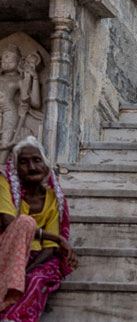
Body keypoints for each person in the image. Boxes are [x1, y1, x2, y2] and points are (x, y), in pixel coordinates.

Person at [0, 137, 76, 321]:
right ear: (15, 169)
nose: (32, 167)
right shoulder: (4, 182)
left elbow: (49, 248)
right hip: (5, 252)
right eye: (24, 162)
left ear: (45, 165)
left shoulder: (53, 198)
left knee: (36, 280)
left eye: (36, 160)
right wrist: (59, 239)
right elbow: (9, 222)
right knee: (25, 222)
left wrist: (26, 271)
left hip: (35, 257)